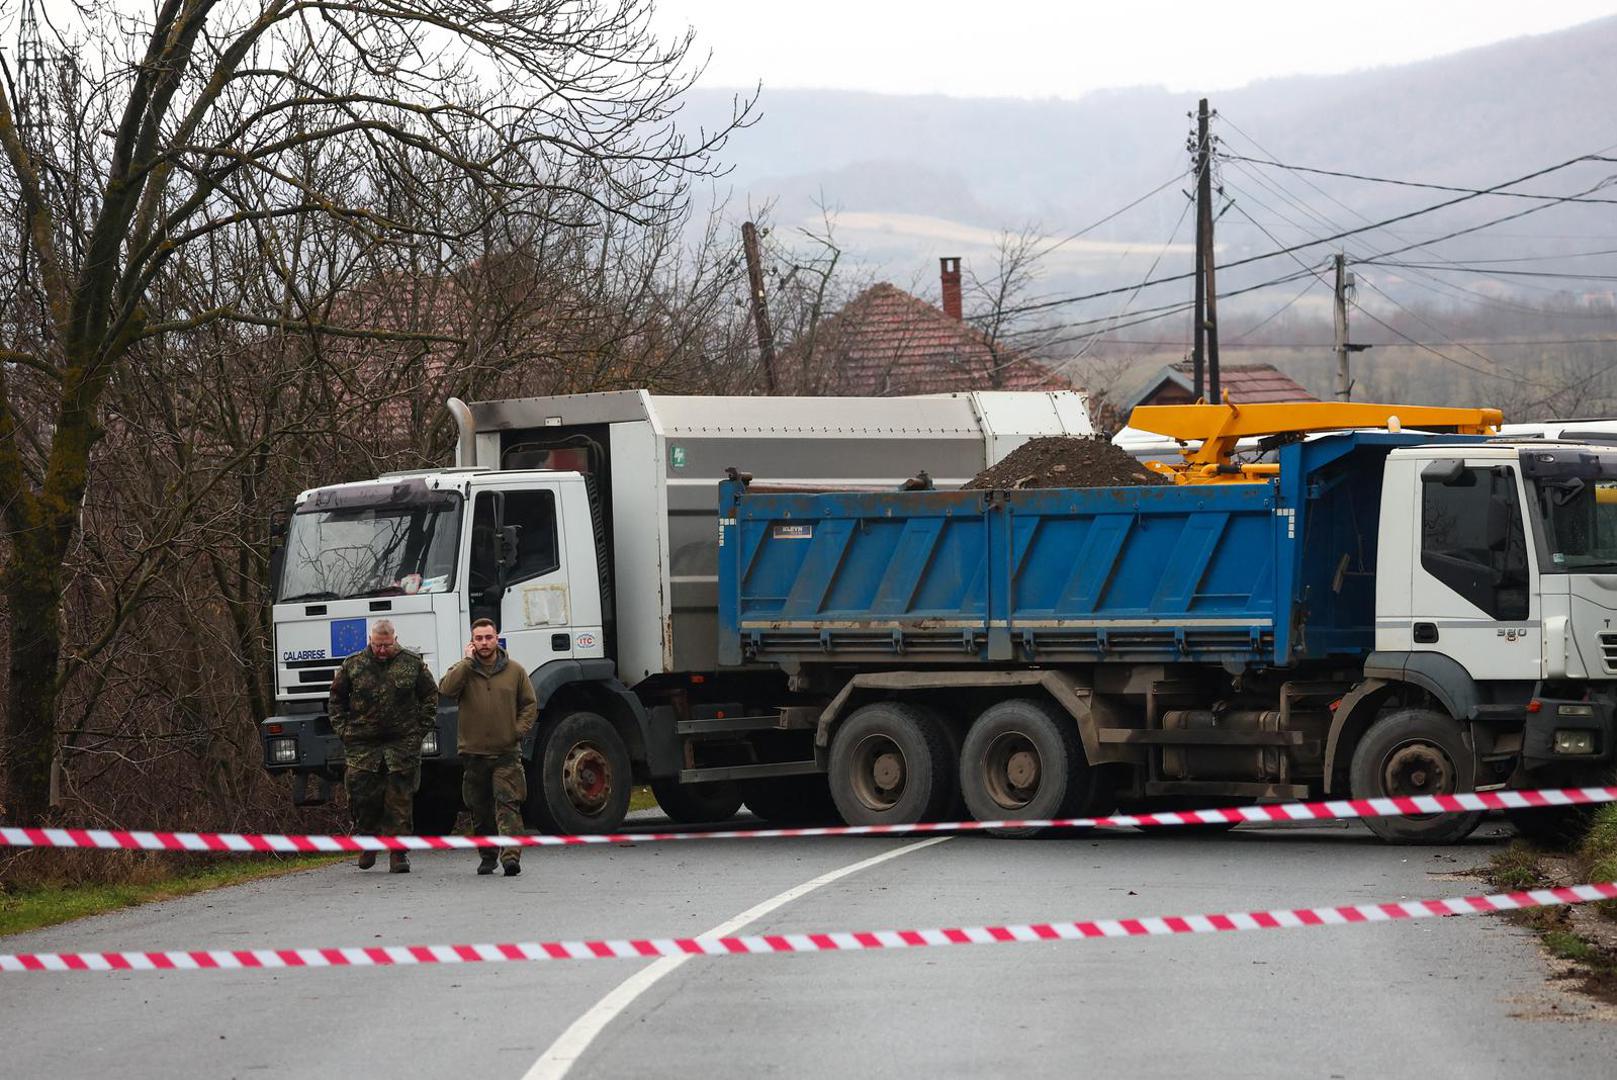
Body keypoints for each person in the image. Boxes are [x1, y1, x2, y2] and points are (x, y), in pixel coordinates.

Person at [328, 619, 439, 873]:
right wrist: (344, 731)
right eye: (377, 645)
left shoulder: (411, 664)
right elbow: (336, 700)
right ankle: (368, 842)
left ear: (395, 639)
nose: (381, 650)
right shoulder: (353, 665)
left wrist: (418, 730)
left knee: (399, 801)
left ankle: (398, 854)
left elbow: (430, 696)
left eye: (386, 645)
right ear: (370, 640)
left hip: (401, 745)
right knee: (363, 798)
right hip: (362, 746)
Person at [439, 618, 538, 876]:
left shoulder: (515, 671)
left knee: (509, 804)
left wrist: (517, 730)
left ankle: (511, 857)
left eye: (488, 637)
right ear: (472, 642)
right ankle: (488, 855)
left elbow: (529, 704)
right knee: (480, 809)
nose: (484, 643)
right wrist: (466, 662)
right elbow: (446, 690)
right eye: (479, 639)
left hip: (506, 753)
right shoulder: (464, 671)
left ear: (497, 639)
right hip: (474, 754)